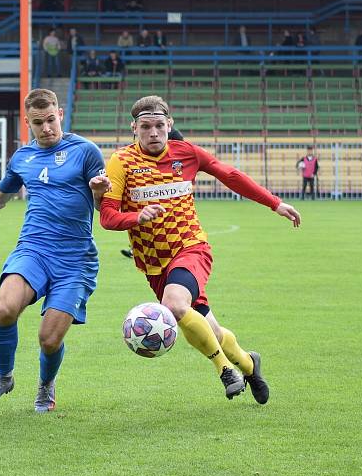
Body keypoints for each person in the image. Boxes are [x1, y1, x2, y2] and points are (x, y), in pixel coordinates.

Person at [96, 96, 300, 403]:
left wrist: (275, 203)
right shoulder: (121, 162)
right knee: (211, 330)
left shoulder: (186, 153)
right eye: (146, 127)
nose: (154, 133)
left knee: (175, 306)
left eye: (159, 126)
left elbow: (229, 175)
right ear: (134, 128)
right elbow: (108, 218)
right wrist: (137, 216)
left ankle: (225, 370)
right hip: (153, 263)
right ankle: (248, 364)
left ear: (169, 125)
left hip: (191, 247)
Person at [0, 89, 109, 413]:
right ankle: (4, 378)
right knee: (5, 309)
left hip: (75, 259)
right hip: (34, 249)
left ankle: (45, 385)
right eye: (38, 123)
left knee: (49, 339)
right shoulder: (22, 158)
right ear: (28, 123)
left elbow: (103, 209)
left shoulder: (86, 152)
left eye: (51, 120)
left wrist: (98, 194)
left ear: (61, 115)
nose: (47, 128)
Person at [120, 126, 184, 259]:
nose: (154, 133)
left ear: (168, 122)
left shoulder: (175, 134)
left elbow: (181, 150)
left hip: (166, 185)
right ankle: (136, 248)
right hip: (148, 184)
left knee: (161, 219)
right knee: (145, 217)